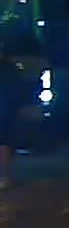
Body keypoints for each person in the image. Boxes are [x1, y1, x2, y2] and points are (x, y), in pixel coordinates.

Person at [0, 42, 21, 189]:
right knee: (4, 143)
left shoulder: (7, 68)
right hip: (6, 109)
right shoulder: (10, 67)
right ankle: (7, 176)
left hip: (4, 110)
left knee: (4, 143)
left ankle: (7, 177)